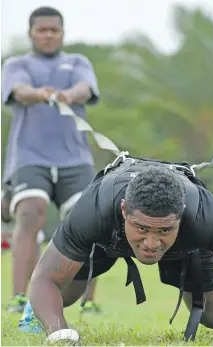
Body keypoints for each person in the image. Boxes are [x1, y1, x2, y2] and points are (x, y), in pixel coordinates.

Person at [25, 155, 213, 345]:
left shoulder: (206, 217)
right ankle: (36, 310)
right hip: (107, 237)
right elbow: (44, 278)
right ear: (124, 210)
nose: (150, 243)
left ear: (181, 217)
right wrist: (58, 334)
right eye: (142, 228)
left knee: (212, 316)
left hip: (187, 246)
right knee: (62, 292)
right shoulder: (92, 211)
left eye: (163, 230)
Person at [1, 6, 102, 316]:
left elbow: (86, 89)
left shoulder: (77, 63)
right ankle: (21, 298)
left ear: (62, 33)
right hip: (30, 158)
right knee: (31, 214)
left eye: (54, 30)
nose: (48, 35)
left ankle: (87, 300)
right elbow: (19, 91)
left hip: (75, 160)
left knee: (89, 223)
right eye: (42, 30)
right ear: (31, 33)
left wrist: (69, 95)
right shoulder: (17, 64)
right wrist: (40, 94)